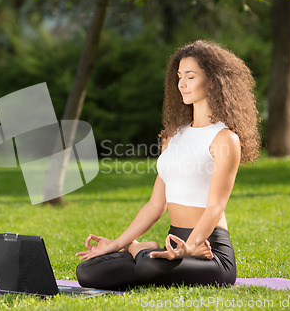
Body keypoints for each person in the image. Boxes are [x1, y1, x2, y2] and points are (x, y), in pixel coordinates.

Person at [75, 40, 261, 290]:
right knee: (89, 271)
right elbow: (155, 205)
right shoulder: (173, 137)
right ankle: (139, 249)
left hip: (209, 251)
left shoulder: (225, 139)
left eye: (190, 76)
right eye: (179, 76)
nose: (181, 84)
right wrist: (116, 243)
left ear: (214, 81)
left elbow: (215, 206)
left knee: (148, 266)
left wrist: (191, 246)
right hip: (173, 243)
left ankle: (141, 249)